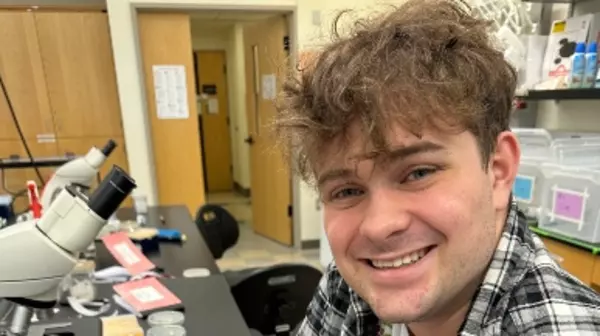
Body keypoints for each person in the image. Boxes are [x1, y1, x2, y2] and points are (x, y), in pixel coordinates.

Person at [273, 0, 600, 335]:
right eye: (347, 191)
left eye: (418, 173)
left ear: (498, 170)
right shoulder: (352, 281)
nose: (378, 227)